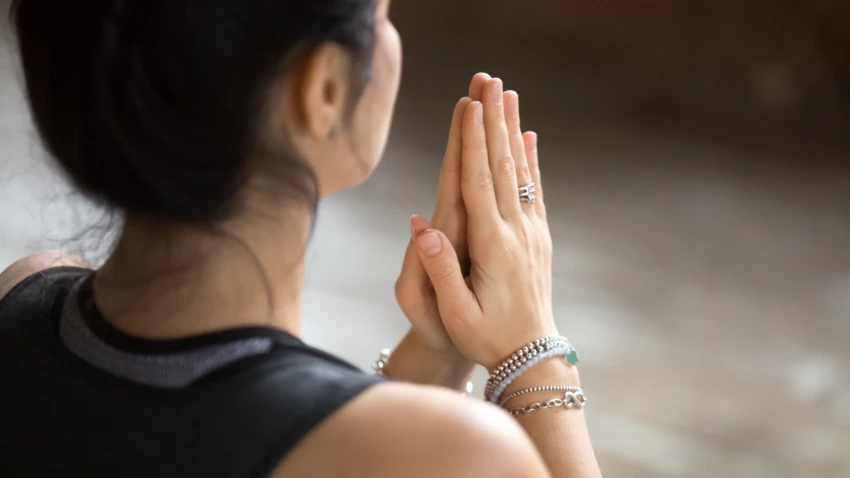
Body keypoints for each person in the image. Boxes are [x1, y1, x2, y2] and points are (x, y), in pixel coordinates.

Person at [0, 0, 602, 476]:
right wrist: (534, 354)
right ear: (326, 89)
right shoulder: (467, 459)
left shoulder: (21, 299)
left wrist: (435, 356)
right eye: (382, 15)